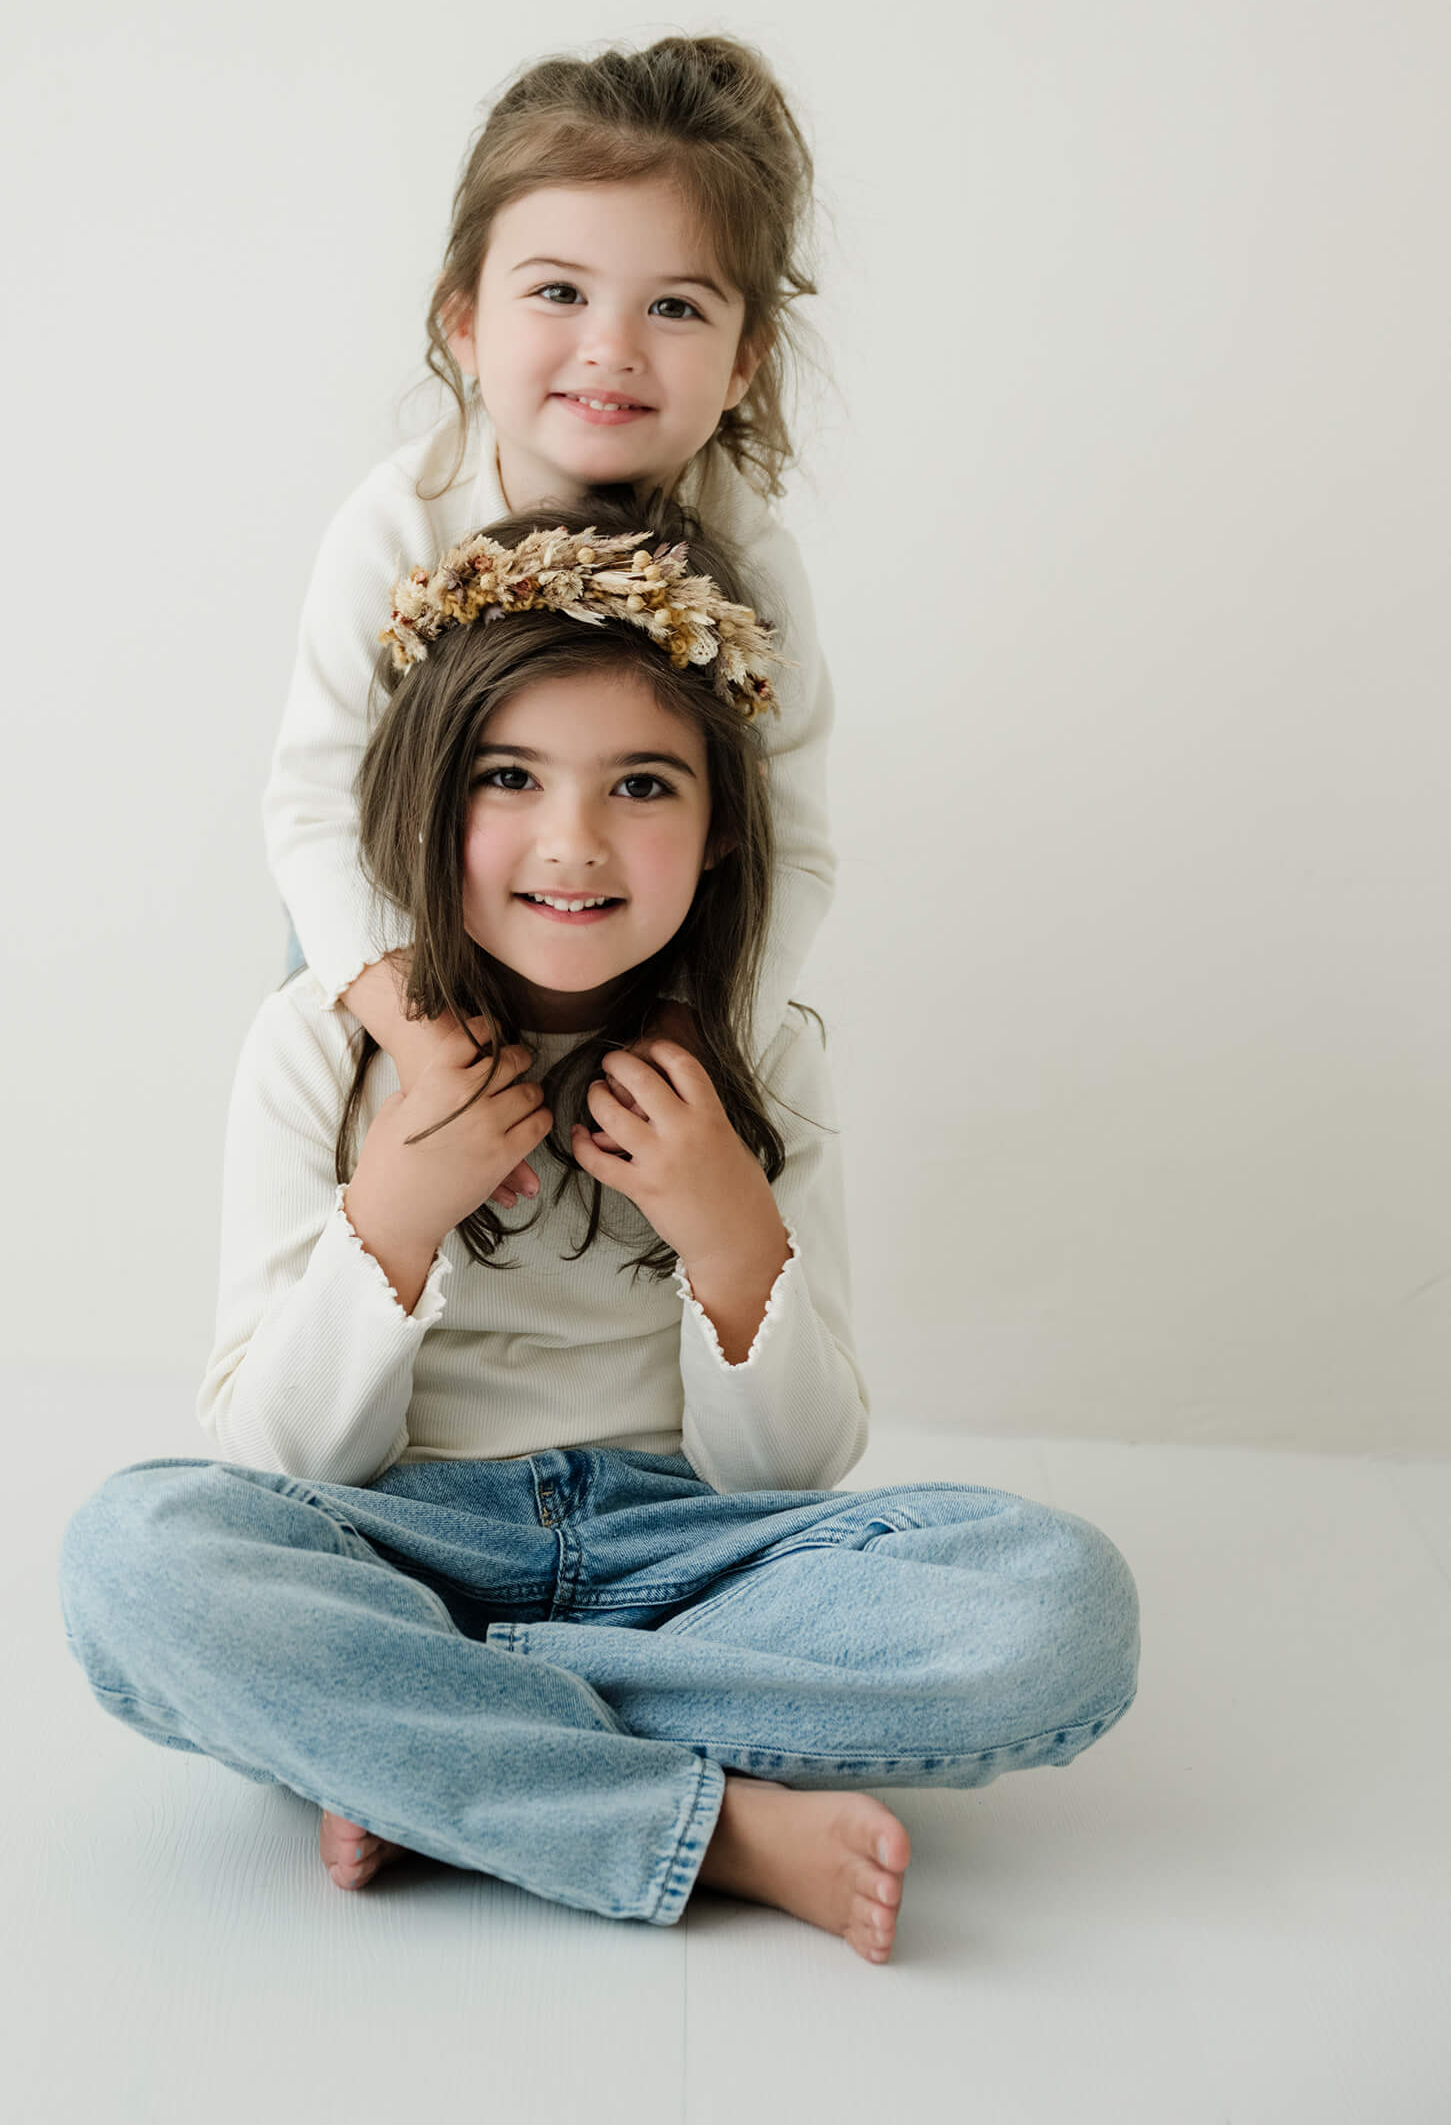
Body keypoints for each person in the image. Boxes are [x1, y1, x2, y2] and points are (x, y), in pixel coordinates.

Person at [58, 503, 1141, 1966]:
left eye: (640, 784)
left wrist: (723, 1223)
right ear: (421, 804)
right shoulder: (315, 1043)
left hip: (690, 1552)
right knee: (139, 1555)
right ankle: (704, 1821)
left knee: (1057, 1606)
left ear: (715, 834)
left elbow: (791, 1472)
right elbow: (280, 1464)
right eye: (507, 778)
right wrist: (393, 1211)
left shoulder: (763, 1057)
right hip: (398, 1537)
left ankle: (426, 1744)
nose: (571, 843)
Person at [262, 32, 837, 1213]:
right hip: (400, 936)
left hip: (633, 958)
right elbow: (315, 808)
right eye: (561, 291)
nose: (612, 348)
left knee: (622, 1210)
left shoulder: (755, 567)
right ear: (465, 321)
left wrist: (686, 1034)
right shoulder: (399, 524)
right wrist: (420, 1039)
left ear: (744, 361)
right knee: (361, 1173)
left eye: (675, 305)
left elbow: (795, 840)